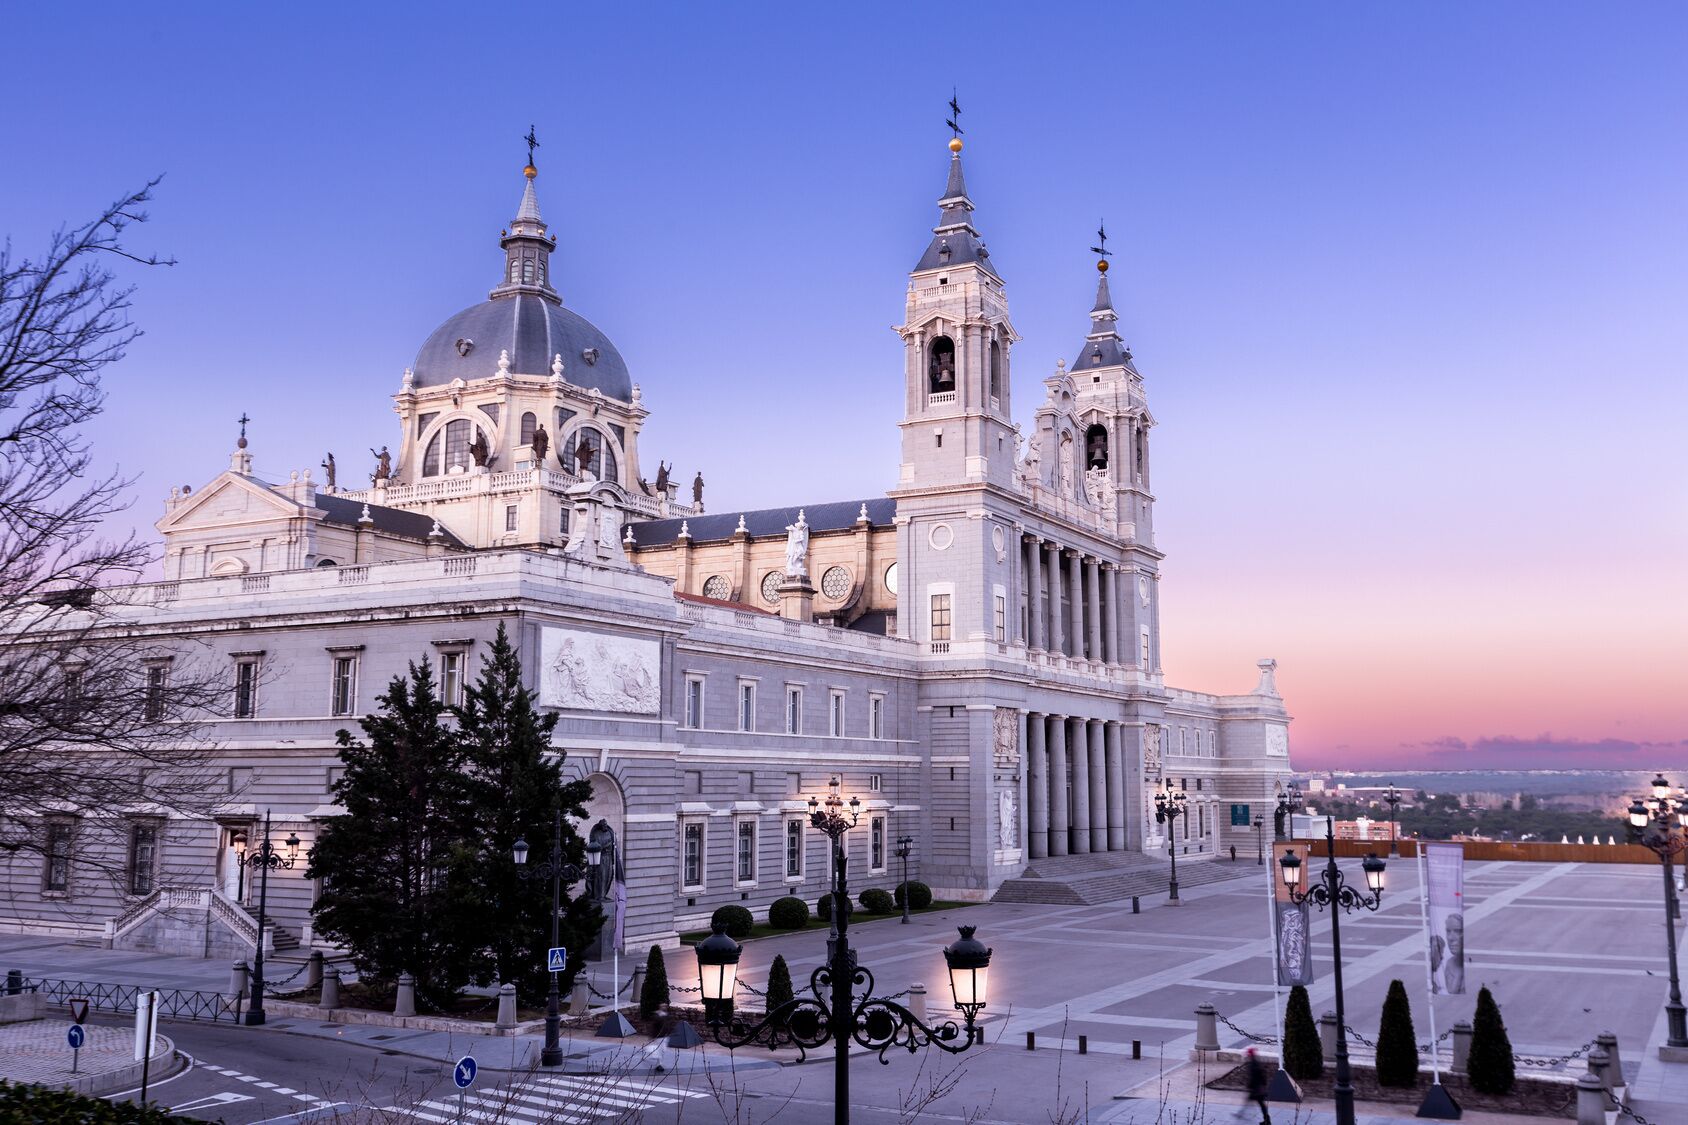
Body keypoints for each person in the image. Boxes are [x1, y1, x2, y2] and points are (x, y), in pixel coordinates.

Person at [1241, 1046, 1271, 1123]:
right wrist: (1264, 1084)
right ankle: (1266, 1119)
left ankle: (1267, 1119)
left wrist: (1249, 1085)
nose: (1247, 1056)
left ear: (1250, 1055)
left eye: (1248, 1055)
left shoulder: (1252, 1064)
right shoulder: (1256, 1062)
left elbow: (1253, 1077)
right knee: (1260, 1103)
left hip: (1257, 1088)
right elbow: (1262, 1075)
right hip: (1259, 1087)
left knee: (1260, 1103)